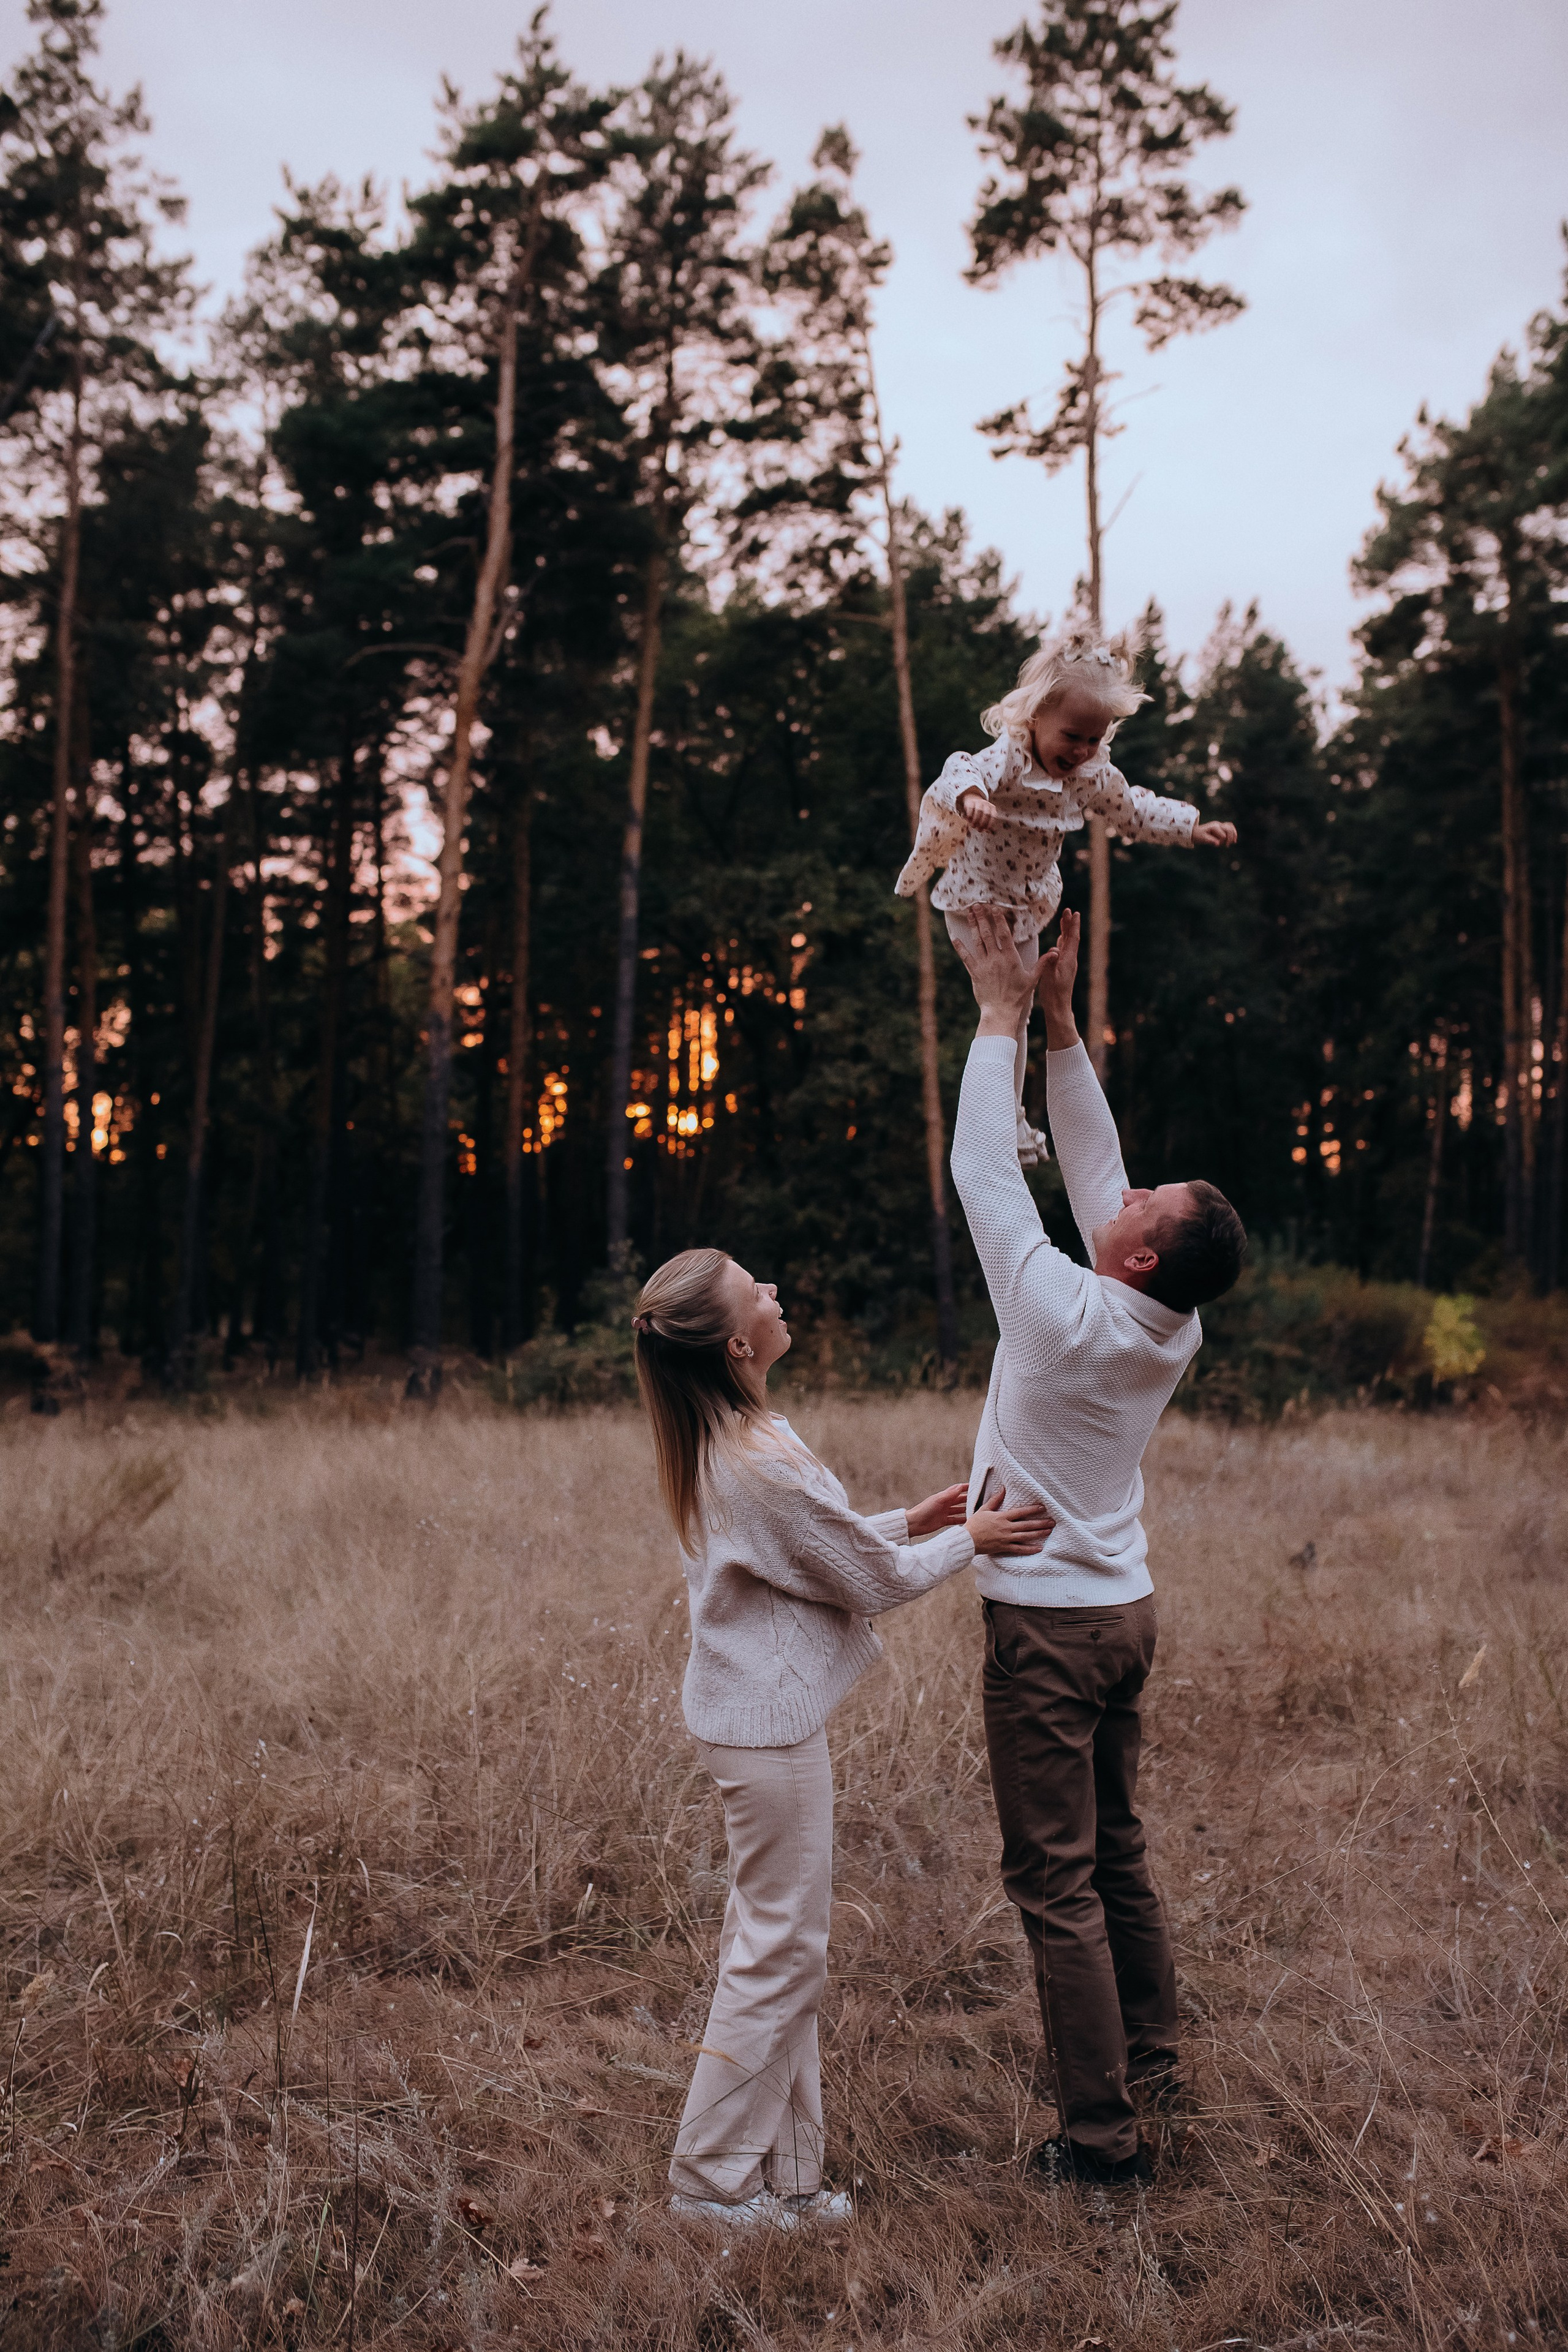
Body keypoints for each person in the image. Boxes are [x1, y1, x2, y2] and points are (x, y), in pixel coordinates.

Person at [631, 1246, 1055, 2231]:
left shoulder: (733, 1435)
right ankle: (709, 2184)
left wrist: (906, 1521)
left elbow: (807, 1553)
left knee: (776, 1945)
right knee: (780, 1953)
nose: (777, 1293)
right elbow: (869, 1583)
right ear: (740, 1343)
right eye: (758, 1291)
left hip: (755, 1725)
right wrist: (968, 1543)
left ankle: (786, 2175)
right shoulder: (753, 1455)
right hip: (764, 1736)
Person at [948, 905, 1246, 2189]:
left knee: (1053, 1882)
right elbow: (1090, 1177)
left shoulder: (1062, 1315)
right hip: (1119, 1611)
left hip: (1053, 1633)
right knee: (1114, 1856)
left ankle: (1101, 2137)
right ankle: (1156, 2065)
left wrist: (999, 1017)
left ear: (1131, 1253)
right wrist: (1064, 1028)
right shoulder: (1159, 1317)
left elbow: (983, 1177)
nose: (1120, 1191)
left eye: (1137, 1203)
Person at [896, 631, 1237, 1167]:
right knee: (1000, 1008)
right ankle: (999, 1124)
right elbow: (960, 767)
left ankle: (1012, 1122)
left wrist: (1193, 827)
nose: (1080, 752)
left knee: (1022, 1011)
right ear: (1035, 717)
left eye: (1094, 741)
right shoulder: (1008, 758)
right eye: (1072, 736)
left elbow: (1134, 811)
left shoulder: (1090, 775)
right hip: (976, 901)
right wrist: (971, 798)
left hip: (1028, 907)